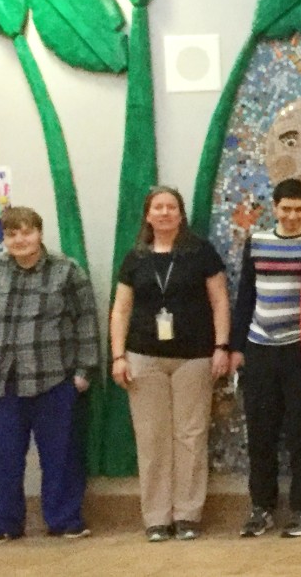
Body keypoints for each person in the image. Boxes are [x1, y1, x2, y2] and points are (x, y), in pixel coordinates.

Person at [0, 206, 98, 545]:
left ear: (40, 233)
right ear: (4, 239)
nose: (19, 239)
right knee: (3, 456)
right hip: (1, 381)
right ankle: (4, 523)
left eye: (26, 232)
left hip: (56, 379)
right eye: (11, 234)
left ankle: (65, 520)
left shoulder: (67, 272)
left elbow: (86, 322)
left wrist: (84, 370)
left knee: (61, 454)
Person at [110, 185, 232, 541]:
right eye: (158, 207)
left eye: (171, 207)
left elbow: (220, 301)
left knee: (191, 435)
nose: (164, 213)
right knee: (152, 438)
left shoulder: (200, 252)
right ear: (148, 215)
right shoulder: (135, 258)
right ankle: (157, 518)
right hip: (143, 357)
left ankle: (188, 514)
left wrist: (222, 346)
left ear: (181, 214)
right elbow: (121, 309)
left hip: (194, 357)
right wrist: (118, 355)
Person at [231, 178, 301, 538]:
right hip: (260, 346)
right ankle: (261, 508)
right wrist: (236, 348)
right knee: (260, 432)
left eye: (299, 209)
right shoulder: (257, 242)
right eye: (285, 209)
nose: (292, 216)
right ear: (274, 207)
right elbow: (245, 295)